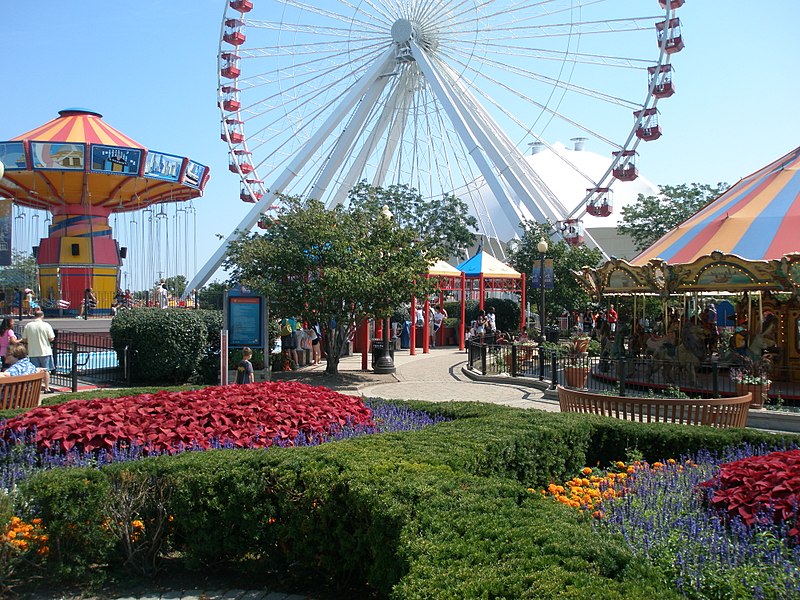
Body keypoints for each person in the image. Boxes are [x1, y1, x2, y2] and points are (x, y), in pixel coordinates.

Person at [22, 310, 55, 388]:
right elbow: (51, 338)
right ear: (42, 316)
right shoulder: (46, 325)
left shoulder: (28, 325)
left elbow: (24, 339)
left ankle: (36, 387)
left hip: (32, 351)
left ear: (34, 316)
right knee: (46, 370)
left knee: (35, 371)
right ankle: (47, 387)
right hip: (45, 351)